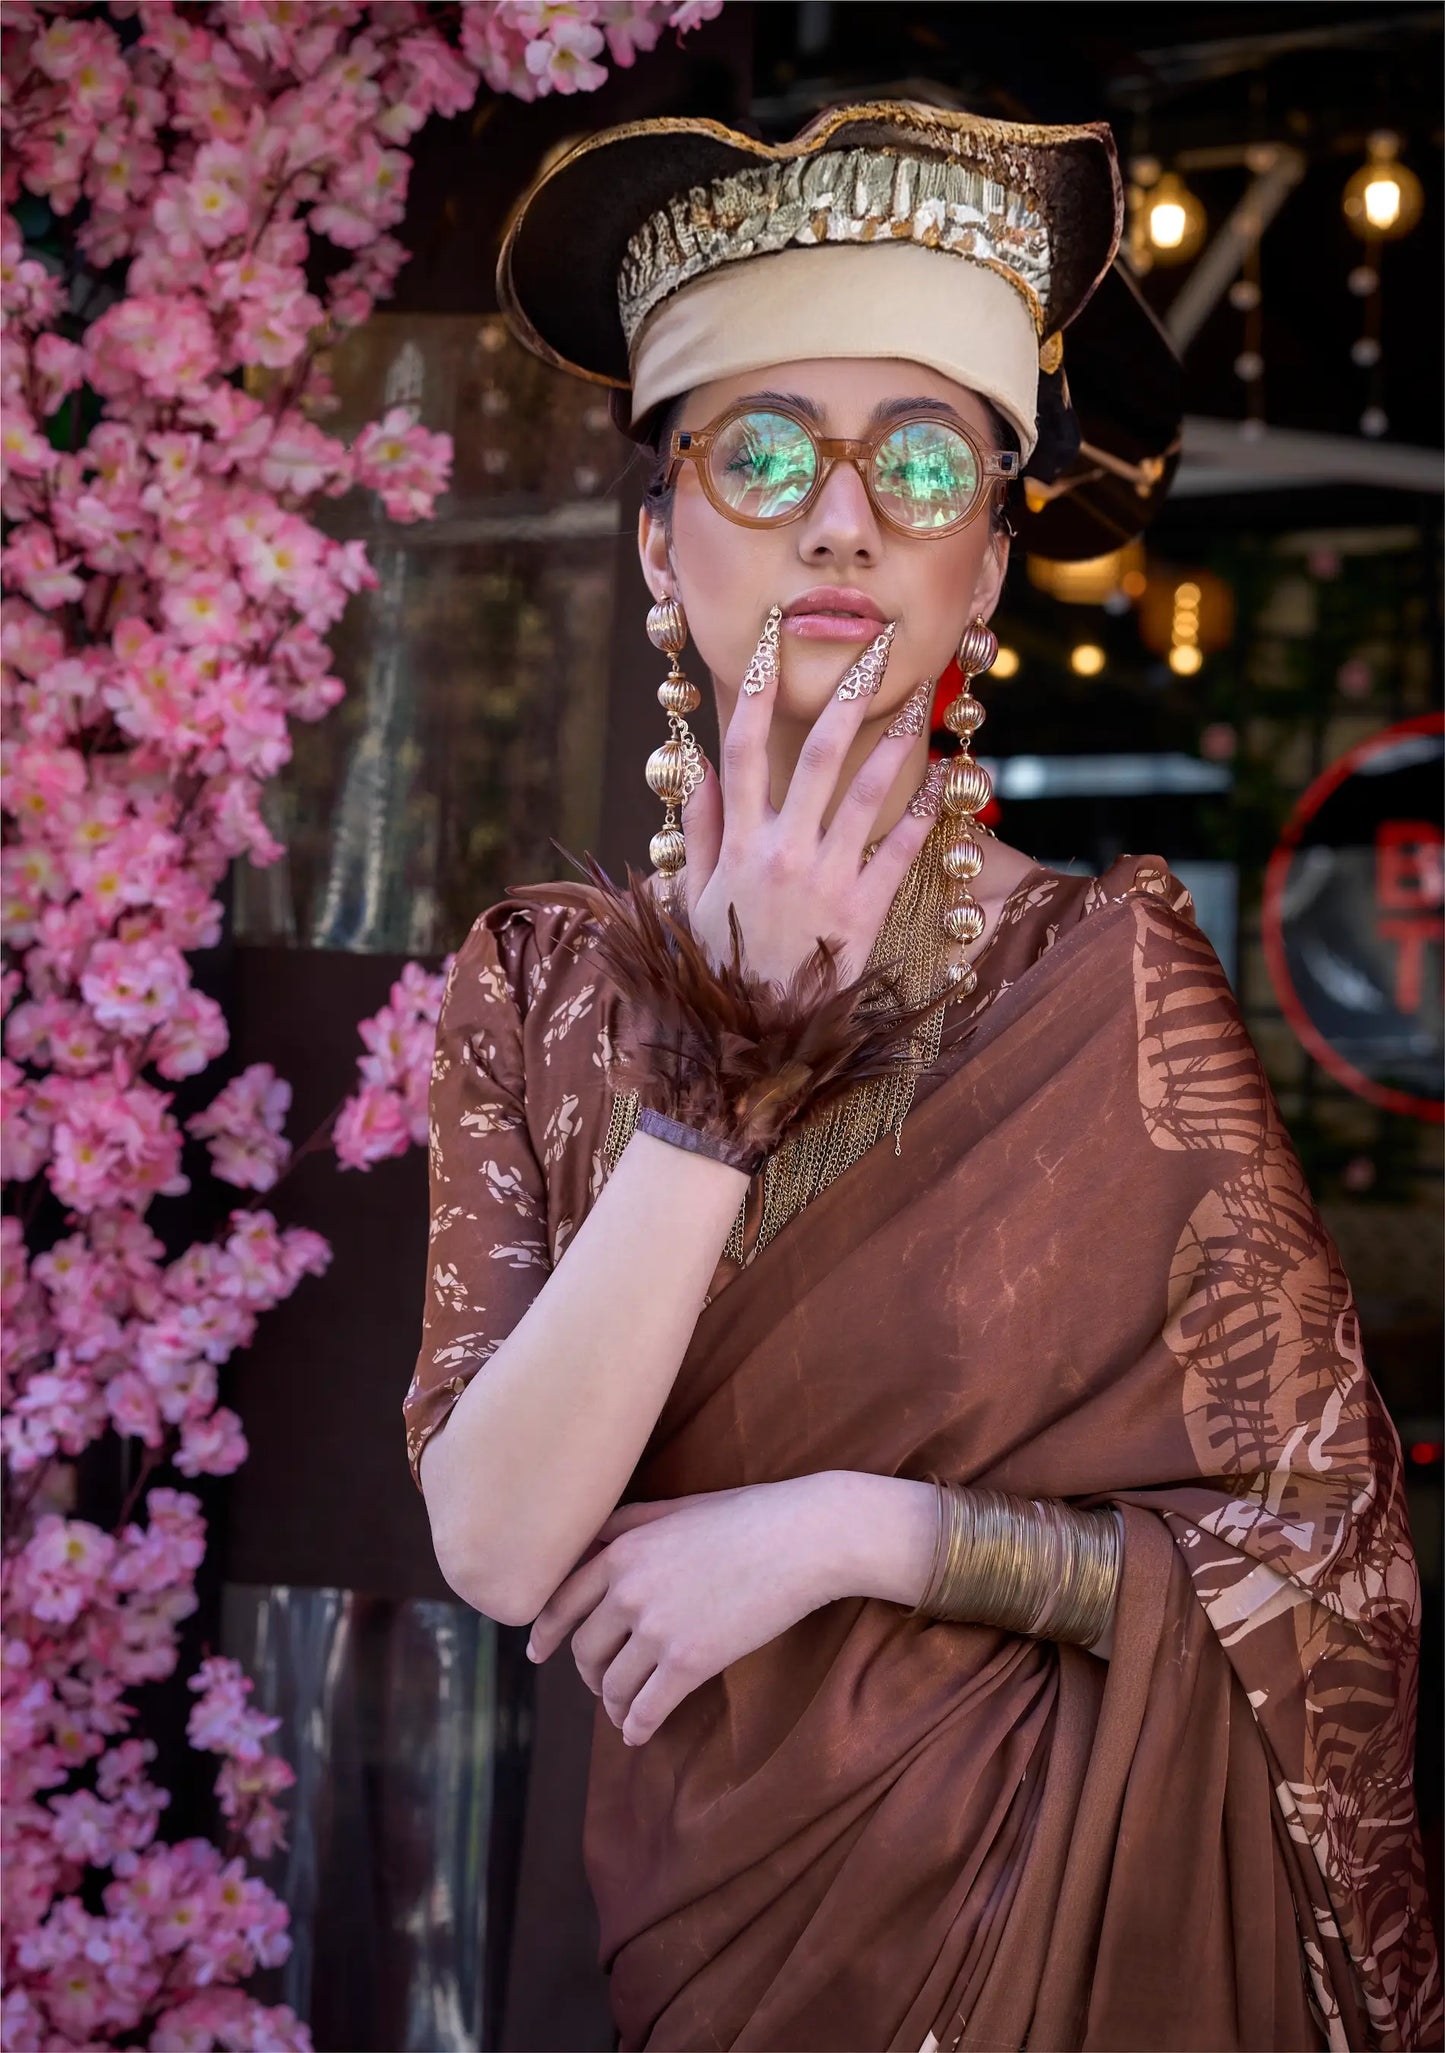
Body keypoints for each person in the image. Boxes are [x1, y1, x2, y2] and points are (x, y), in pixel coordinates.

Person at [403, 103, 1442, 2053]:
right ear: (659, 536)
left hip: (1058, 1935)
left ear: (985, 572)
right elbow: (501, 1542)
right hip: (703, 1917)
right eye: (761, 450)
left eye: (924, 462)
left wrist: (853, 1530)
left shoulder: (1106, 980)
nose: (839, 519)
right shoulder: (537, 984)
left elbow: (1326, 1555)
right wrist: (723, 1049)